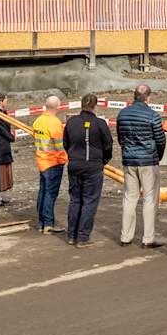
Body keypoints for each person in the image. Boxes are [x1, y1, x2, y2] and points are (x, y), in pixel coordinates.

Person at [116, 84, 167, 249]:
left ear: (134, 96)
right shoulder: (153, 115)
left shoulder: (122, 114)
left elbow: (120, 136)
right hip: (148, 161)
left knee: (130, 198)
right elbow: (160, 139)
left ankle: (125, 236)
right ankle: (147, 238)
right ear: (148, 97)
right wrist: (158, 156)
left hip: (129, 160)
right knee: (149, 199)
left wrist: (126, 151)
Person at [62, 93, 113, 246]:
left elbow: (66, 143)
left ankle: (72, 235)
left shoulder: (71, 122)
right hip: (93, 166)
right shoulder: (100, 123)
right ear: (95, 106)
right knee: (90, 201)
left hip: (75, 165)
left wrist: (73, 157)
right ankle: (83, 237)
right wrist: (103, 161)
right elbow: (108, 145)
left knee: (75, 200)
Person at [32, 94, 68, 233]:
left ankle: (42, 223)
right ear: (58, 107)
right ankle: (48, 223)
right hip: (52, 162)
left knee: (43, 191)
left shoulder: (38, 121)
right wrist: (63, 160)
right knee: (50, 193)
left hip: (42, 160)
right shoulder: (54, 123)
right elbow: (59, 146)